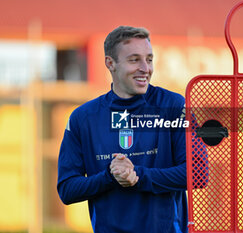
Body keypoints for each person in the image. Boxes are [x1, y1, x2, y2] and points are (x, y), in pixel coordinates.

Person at [57, 26, 189, 233]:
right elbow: (67, 189)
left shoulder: (173, 106)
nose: (145, 68)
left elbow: (196, 173)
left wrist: (137, 175)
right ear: (110, 63)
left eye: (149, 59)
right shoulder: (83, 118)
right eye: (134, 60)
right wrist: (109, 177)